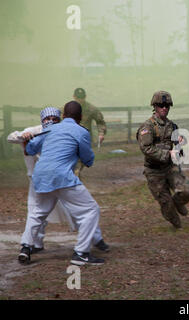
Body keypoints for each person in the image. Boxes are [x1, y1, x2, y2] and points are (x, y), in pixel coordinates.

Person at [18, 101, 106, 266]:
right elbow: (88, 159)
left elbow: (29, 150)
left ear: (63, 115)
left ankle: (25, 248)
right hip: (62, 177)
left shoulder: (48, 129)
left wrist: (26, 140)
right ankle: (81, 252)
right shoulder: (81, 131)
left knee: (37, 213)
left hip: (41, 176)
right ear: (80, 117)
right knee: (90, 210)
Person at [7, 107, 76, 252]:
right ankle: (36, 243)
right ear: (42, 120)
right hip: (36, 179)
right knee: (36, 211)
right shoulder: (35, 130)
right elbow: (11, 137)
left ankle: (94, 238)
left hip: (59, 178)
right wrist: (24, 136)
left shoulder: (62, 133)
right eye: (47, 119)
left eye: (54, 119)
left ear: (59, 120)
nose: (50, 121)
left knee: (78, 208)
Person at [136, 91, 189, 229]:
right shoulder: (147, 127)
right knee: (170, 212)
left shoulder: (172, 126)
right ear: (155, 107)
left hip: (169, 168)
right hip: (154, 172)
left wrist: (180, 141)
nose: (164, 108)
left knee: (188, 192)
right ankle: (172, 211)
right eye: (161, 105)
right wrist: (167, 153)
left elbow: (177, 142)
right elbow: (146, 148)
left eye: (167, 105)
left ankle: (177, 203)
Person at [72, 87, 107, 177]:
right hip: (71, 138)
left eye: (82, 98)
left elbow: (100, 122)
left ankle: (76, 174)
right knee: (74, 162)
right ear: (74, 97)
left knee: (82, 160)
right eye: (78, 98)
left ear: (85, 97)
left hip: (85, 139)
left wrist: (101, 133)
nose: (80, 100)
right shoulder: (67, 108)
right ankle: (75, 177)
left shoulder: (91, 109)